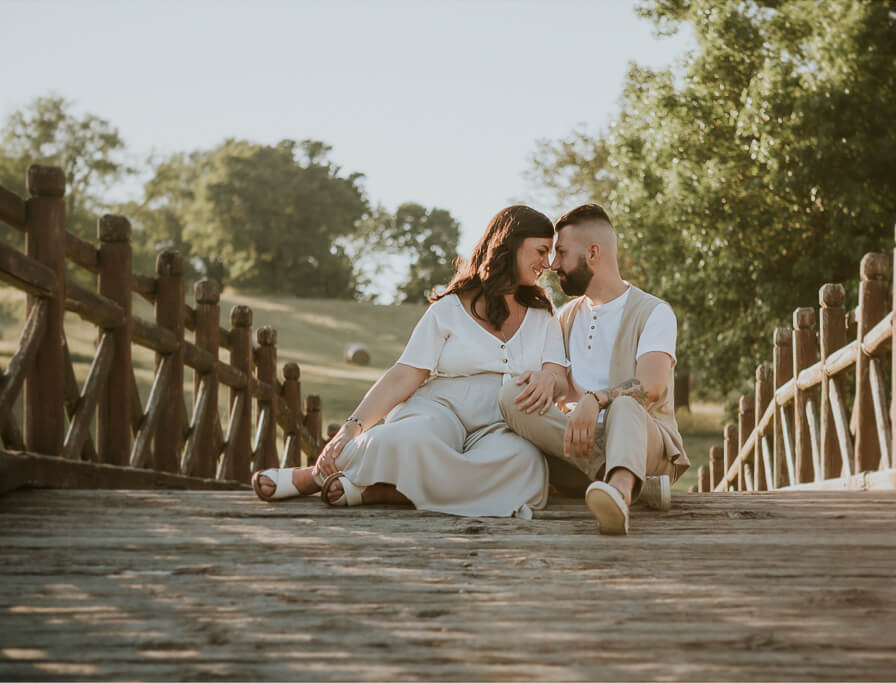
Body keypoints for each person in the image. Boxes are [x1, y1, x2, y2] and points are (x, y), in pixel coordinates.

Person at [252, 205, 569, 518]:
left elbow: (556, 372)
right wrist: (352, 428)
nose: (548, 263)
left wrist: (548, 379)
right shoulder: (450, 308)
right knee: (406, 439)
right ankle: (315, 476)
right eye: (542, 251)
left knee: (525, 467)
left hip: (502, 424)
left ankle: (387, 492)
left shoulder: (544, 313)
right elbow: (404, 375)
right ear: (511, 243)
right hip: (441, 410)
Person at [499, 203, 689, 535]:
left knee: (626, 405)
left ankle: (619, 490)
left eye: (561, 252)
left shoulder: (654, 312)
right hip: (580, 443)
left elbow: (652, 387)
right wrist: (546, 380)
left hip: (646, 442)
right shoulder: (565, 317)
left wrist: (595, 399)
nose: (553, 264)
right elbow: (557, 379)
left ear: (593, 253)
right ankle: (632, 485)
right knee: (511, 394)